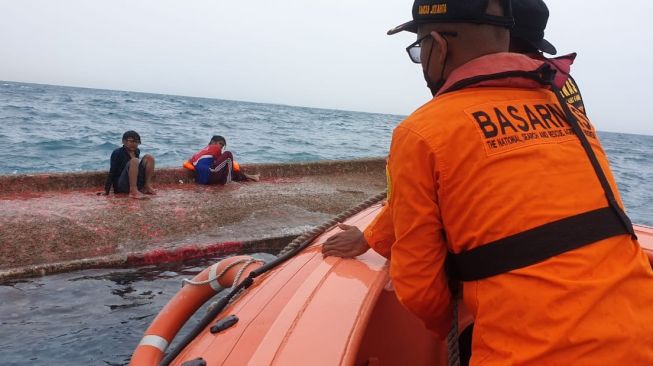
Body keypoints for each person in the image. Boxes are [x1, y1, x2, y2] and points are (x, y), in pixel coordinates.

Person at [327, 0, 653, 364]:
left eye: (420, 49)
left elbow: (419, 285)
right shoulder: (569, 110)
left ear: (438, 45)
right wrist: (373, 235)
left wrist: (457, 327)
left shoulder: (422, 131)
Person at [102, 130, 156, 199]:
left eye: (136, 142)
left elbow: (136, 169)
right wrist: (106, 190)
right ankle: (133, 191)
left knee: (149, 158)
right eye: (131, 141)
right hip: (122, 185)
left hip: (135, 183)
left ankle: (147, 186)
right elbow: (112, 172)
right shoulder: (117, 153)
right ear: (124, 142)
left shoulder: (137, 151)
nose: (134, 144)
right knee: (134, 160)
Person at [187, 135, 259, 185]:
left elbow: (190, 162)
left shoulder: (200, 152)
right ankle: (229, 182)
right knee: (228, 154)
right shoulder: (215, 147)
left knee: (226, 170)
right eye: (220, 143)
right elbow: (225, 162)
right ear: (212, 142)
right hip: (210, 175)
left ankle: (251, 177)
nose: (221, 147)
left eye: (223, 145)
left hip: (201, 179)